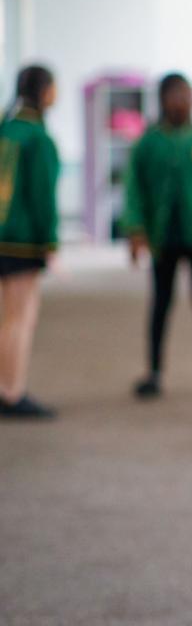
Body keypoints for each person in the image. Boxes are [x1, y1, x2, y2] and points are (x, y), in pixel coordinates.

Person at [122, 73, 192, 400]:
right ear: (163, 99)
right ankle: (153, 374)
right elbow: (133, 191)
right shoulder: (148, 142)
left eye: (187, 95)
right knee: (160, 304)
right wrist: (136, 231)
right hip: (162, 237)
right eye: (176, 96)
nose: (183, 101)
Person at [0, 65, 60, 419]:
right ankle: (14, 390)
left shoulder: (6, 129)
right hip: (22, 241)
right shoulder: (38, 138)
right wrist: (49, 241)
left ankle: (5, 386)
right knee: (21, 319)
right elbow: (43, 197)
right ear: (43, 91)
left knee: (7, 318)